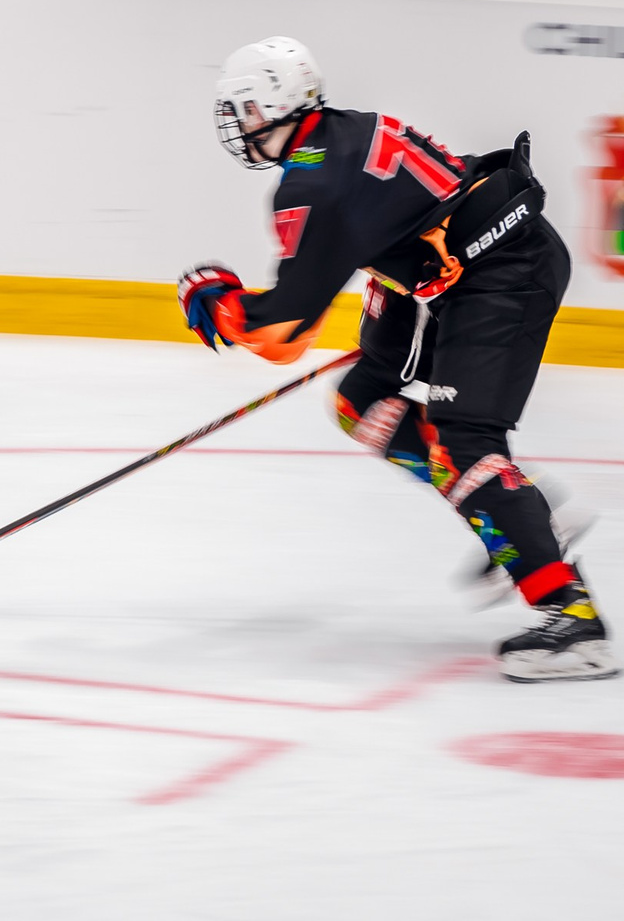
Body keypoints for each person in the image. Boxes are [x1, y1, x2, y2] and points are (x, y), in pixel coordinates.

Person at [177, 36, 615, 684]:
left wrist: (218, 302)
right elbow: (398, 225)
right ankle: (520, 513)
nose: (237, 124)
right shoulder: (340, 132)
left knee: (465, 444)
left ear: (276, 104)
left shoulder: (312, 183)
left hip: (502, 271)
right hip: (449, 270)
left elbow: (283, 334)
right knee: (361, 399)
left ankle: (573, 619)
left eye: (244, 108)